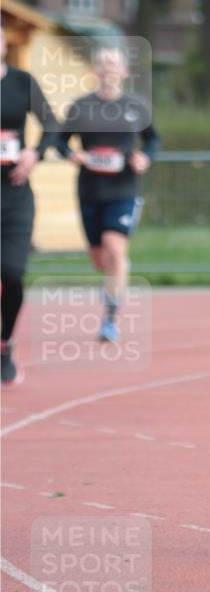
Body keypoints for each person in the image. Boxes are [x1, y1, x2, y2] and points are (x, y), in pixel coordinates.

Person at [58, 46, 160, 342]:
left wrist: (145, 158)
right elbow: (61, 142)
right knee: (100, 259)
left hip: (123, 190)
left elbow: (153, 140)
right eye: (102, 63)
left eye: (113, 63)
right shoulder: (81, 107)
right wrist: (72, 155)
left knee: (115, 250)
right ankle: (114, 284)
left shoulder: (136, 106)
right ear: (95, 69)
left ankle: (110, 319)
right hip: (90, 191)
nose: (108, 68)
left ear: (124, 71)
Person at [1, 26, 63, 385]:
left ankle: (5, 341)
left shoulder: (22, 81)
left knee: (11, 273)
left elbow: (53, 124)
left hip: (15, 196)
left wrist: (33, 153)